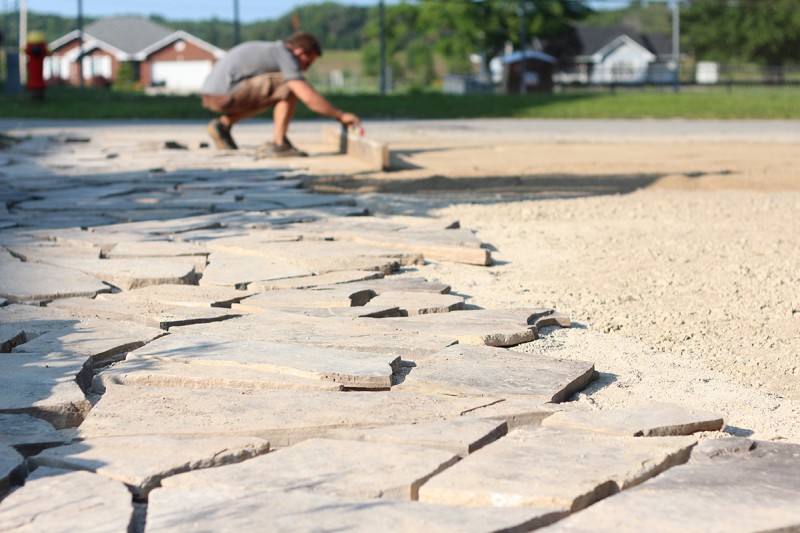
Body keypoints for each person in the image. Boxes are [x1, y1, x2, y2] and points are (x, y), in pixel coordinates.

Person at [201, 32, 361, 158]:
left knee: (274, 94)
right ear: (299, 52)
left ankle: (223, 124)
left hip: (213, 94)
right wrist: (340, 116)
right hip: (224, 93)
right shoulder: (284, 53)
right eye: (307, 63)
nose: (305, 69)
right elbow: (308, 97)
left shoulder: (273, 51)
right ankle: (279, 144)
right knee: (289, 84)